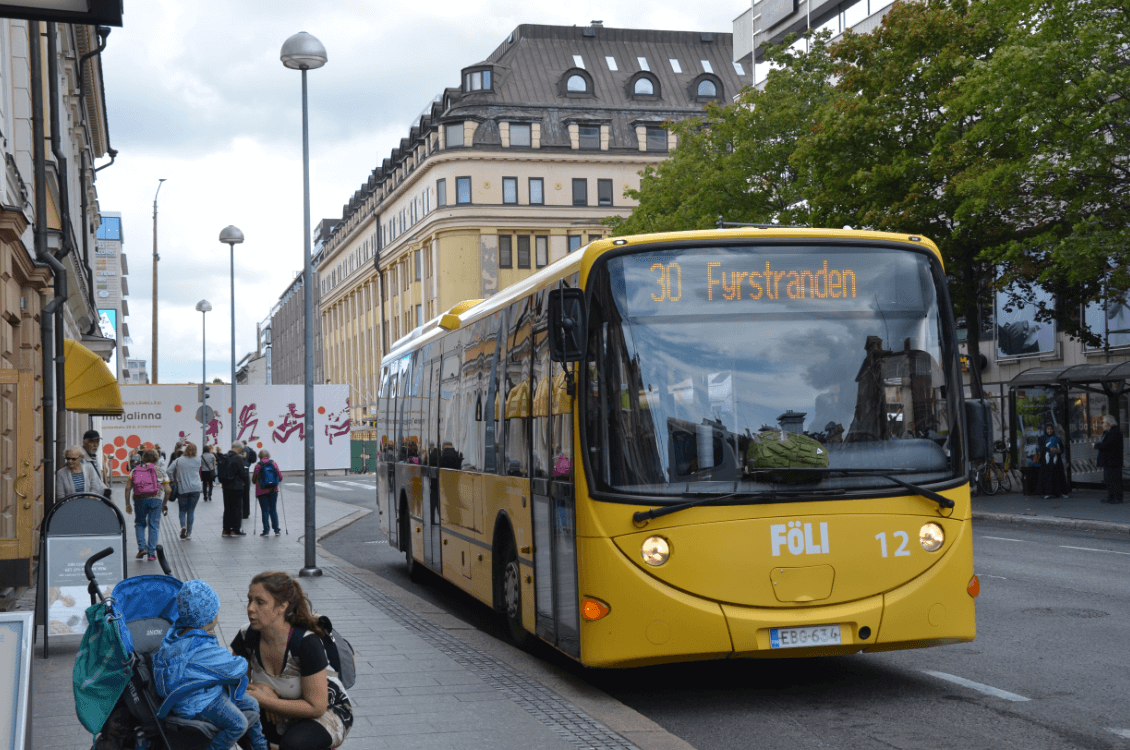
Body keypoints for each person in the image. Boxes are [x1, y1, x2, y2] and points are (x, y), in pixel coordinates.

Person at [232, 572, 353, 749]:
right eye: (250, 600)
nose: (250, 608)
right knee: (240, 725)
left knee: (294, 745)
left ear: (282, 606)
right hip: (281, 711)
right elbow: (235, 686)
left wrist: (269, 702)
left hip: (326, 711)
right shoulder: (246, 636)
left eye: (260, 602)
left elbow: (316, 707)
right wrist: (263, 688)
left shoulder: (306, 642)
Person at [152, 580, 269, 750]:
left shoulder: (176, 637)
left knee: (252, 704)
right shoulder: (202, 649)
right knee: (239, 724)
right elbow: (236, 668)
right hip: (200, 702)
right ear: (212, 616)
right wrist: (242, 659)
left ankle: (260, 747)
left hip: (193, 694)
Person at [124, 449, 171, 561]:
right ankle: (151, 553)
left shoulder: (135, 470)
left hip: (139, 500)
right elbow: (168, 490)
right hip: (156, 500)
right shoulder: (161, 471)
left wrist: (127, 503)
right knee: (154, 525)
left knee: (139, 523)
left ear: (143, 458)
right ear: (156, 459)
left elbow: (127, 488)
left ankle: (142, 548)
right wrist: (164, 503)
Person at [168, 443, 203, 540]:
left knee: (182, 510)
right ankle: (189, 534)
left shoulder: (179, 460)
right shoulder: (199, 460)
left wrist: (172, 479)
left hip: (183, 488)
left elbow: (169, 471)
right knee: (191, 511)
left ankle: (183, 526)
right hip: (196, 488)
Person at [219, 441, 248, 537]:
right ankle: (235, 529)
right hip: (236, 486)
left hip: (226, 486)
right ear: (238, 449)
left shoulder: (224, 457)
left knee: (227, 508)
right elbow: (242, 473)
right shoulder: (237, 458)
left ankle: (226, 529)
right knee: (237, 508)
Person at [251, 449, 282, 537]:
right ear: (268, 455)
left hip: (261, 491)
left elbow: (254, 480)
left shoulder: (258, 465)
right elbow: (280, 477)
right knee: (273, 509)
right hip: (273, 490)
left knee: (265, 510)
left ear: (259, 456)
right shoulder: (273, 463)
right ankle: (276, 530)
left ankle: (266, 531)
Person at [1096, 414, 1124, 504]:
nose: (1103, 424)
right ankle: (1110, 496)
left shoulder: (1115, 432)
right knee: (1108, 480)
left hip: (1113, 461)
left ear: (1109, 423)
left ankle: (1117, 497)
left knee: (1114, 480)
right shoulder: (1107, 432)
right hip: (1108, 461)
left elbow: (1108, 445)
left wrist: (1096, 445)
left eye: (1104, 422)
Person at [1036, 424, 1068, 499]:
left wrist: (1059, 451)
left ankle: (1060, 492)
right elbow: (1040, 448)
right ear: (1045, 430)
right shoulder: (1042, 438)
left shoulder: (1057, 438)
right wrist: (1049, 449)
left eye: (1051, 429)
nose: (1049, 430)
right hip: (1046, 461)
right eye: (1048, 429)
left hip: (1056, 461)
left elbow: (1062, 448)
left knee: (1058, 476)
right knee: (1047, 477)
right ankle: (1046, 493)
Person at [81, 429, 111, 497]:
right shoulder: (80, 459)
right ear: (84, 443)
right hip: (89, 499)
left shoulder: (93, 457)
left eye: (97, 442)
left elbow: (98, 481)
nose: (95, 445)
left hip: (97, 497)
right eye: (92, 442)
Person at [242, 441, 258, 522]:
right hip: (247, 470)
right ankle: (247, 512)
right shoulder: (250, 449)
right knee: (246, 492)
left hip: (243, 471)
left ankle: (243, 512)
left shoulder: (244, 449)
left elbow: (244, 456)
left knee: (243, 493)